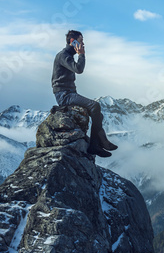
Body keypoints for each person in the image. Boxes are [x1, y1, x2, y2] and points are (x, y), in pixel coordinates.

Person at [51, 30, 118, 158]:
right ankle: (96, 145)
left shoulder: (68, 56)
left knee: (99, 115)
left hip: (69, 93)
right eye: (81, 41)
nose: (83, 44)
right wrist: (81, 54)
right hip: (64, 95)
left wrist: (79, 54)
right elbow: (79, 69)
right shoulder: (63, 55)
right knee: (95, 106)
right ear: (73, 42)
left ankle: (96, 144)